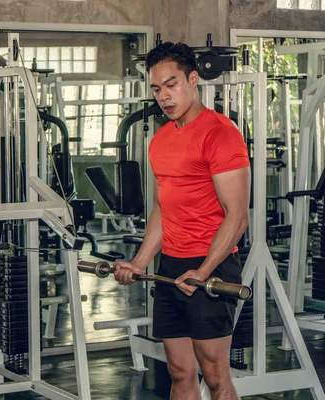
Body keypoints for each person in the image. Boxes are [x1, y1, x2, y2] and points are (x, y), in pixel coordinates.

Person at [113, 42, 251, 400]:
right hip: (171, 265)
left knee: (216, 375)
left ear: (193, 79)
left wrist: (203, 271)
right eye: (157, 88)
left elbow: (238, 216)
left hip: (212, 266)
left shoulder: (220, 134)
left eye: (171, 84)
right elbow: (164, 207)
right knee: (179, 371)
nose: (164, 96)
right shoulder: (160, 141)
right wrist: (140, 262)